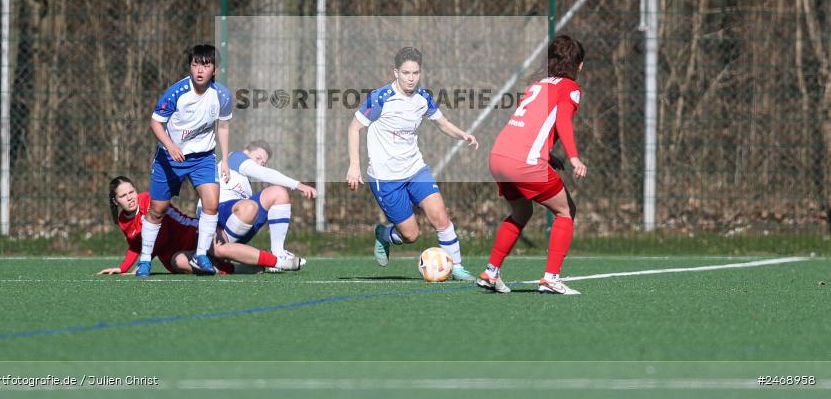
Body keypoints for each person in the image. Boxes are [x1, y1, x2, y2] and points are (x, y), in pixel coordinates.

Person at [346, 46, 479, 282]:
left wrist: (463, 135)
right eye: (406, 72)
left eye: (415, 73)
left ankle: (456, 266)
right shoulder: (380, 98)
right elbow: (354, 128)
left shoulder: (422, 98)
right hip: (385, 177)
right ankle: (384, 234)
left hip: (416, 169)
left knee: (440, 217)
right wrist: (354, 166)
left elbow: (442, 123)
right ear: (395, 72)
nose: (411, 78)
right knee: (411, 236)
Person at [476, 35, 587, 295]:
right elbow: (562, 121)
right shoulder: (569, 87)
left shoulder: (537, 84)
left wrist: (547, 154)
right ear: (579, 65)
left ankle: (491, 273)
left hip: (499, 156)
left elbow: (530, 125)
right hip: (523, 162)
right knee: (565, 210)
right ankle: (551, 278)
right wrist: (573, 156)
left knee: (521, 212)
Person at [135, 44, 232, 277]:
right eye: (195, 64)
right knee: (157, 209)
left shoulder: (222, 95)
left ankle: (201, 256)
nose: (199, 70)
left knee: (211, 204)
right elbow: (155, 123)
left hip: (203, 158)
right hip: (170, 157)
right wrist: (170, 146)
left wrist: (225, 160)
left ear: (215, 69)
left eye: (206, 65)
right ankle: (146, 260)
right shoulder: (176, 92)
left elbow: (224, 125)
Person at [97, 176, 302, 275]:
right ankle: (240, 269)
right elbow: (135, 244)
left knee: (218, 248)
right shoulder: (123, 220)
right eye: (123, 196)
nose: (130, 198)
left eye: (131, 192)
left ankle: (277, 261)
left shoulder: (148, 200)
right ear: (116, 201)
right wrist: (122, 267)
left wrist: (145, 261)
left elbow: (163, 236)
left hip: (194, 234)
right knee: (178, 262)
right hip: (175, 254)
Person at [203, 140, 316, 271]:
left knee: (278, 193)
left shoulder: (244, 184)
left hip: (236, 222)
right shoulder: (235, 157)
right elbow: (264, 173)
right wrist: (297, 184)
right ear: (246, 152)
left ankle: (278, 253)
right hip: (218, 216)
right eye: (257, 158)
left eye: (263, 163)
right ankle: (222, 255)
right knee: (249, 207)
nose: (259, 164)